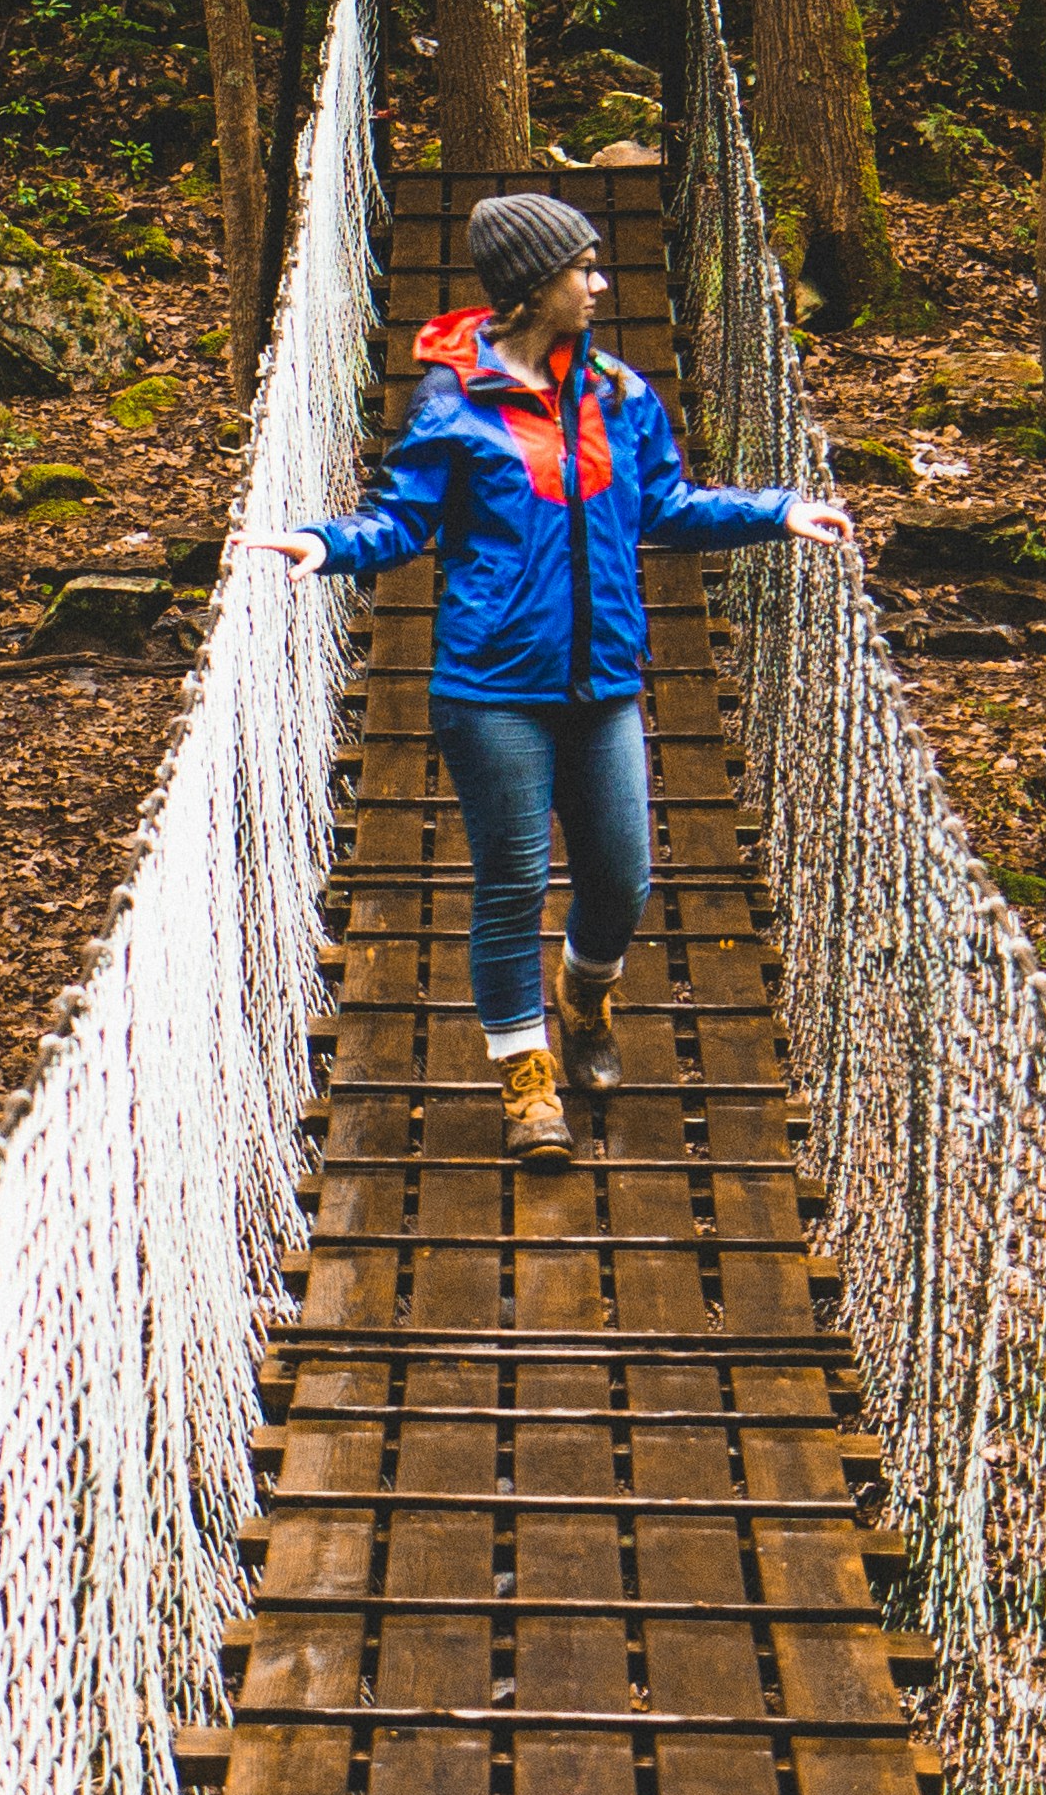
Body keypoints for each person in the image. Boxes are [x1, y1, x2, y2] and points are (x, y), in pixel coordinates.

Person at [237, 189, 854, 1158]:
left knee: (622, 878)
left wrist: (775, 512)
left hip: (603, 680)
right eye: (584, 268)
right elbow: (402, 519)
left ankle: (586, 991)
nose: (601, 283)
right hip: (490, 692)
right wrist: (326, 544)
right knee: (512, 882)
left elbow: (667, 506)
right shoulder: (454, 405)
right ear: (535, 288)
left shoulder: (620, 395)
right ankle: (528, 1086)